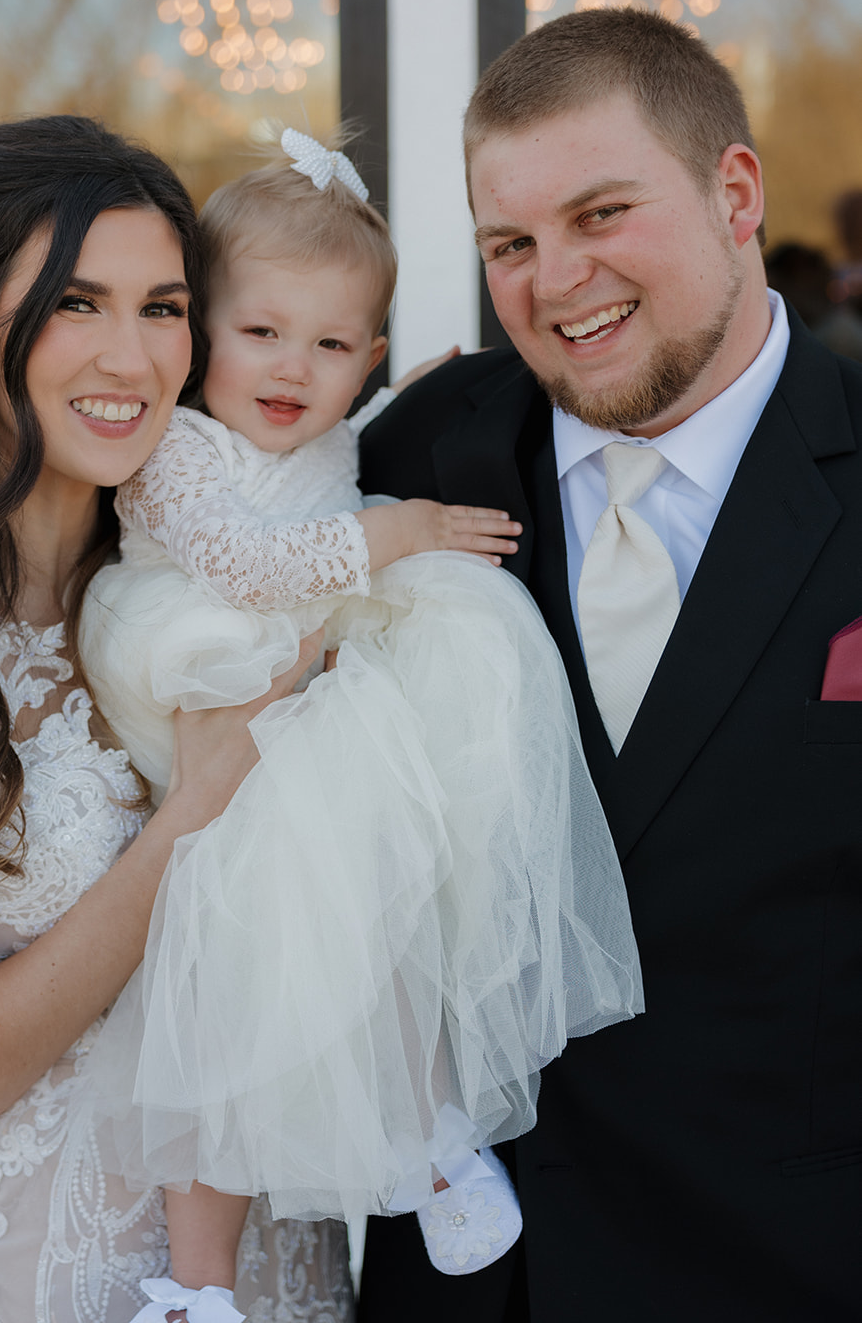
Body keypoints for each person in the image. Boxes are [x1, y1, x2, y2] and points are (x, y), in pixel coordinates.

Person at [76, 130, 643, 1323]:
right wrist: (400, 531)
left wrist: (398, 398)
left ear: (367, 358)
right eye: (260, 332)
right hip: (217, 692)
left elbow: (328, 454)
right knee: (218, 1011)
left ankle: (430, 1138)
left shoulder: (331, 422)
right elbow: (249, 563)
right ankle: (196, 1282)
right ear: (198, 336)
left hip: (317, 714)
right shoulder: (176, 450)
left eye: (332, 346)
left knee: (389, 922)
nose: (294, 367)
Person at [0, 115, 354, 1323]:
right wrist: (194, 815)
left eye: (164, 308)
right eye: (74, 304)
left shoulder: (202, 580)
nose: (133, 356)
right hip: (65, 1272)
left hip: (286, 1254)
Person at [357, 7, 862, 1322]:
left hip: (788, 1267)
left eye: (600, 214)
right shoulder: (411, 453)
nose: (554, 280)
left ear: (732, 193)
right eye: (509, 244)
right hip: (471, 1283)